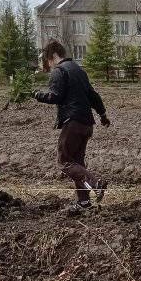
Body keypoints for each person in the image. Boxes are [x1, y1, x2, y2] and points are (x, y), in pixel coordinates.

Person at [34, 39, 110, 212]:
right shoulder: (79, 70)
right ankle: (84, 202)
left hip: (73, 123)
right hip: (87, 124)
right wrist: (103, 115)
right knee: (77, 164)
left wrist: (38, 95)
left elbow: (55, 97)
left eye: (47, 59)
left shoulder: (59, 71)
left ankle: (96, 183)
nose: (48, 63)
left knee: (65, 162)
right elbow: (93, 95)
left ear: (53, 55)